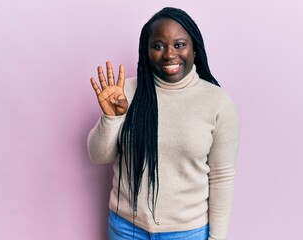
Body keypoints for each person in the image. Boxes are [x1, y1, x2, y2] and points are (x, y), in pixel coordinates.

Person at [87, 7, 239, 240]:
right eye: (158, 46)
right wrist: (111, 118)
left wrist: (217, 238)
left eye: (179, 45)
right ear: (146, 51)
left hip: (187, 232)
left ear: (194, 49)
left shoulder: (217, 102)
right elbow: (98, 156)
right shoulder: (125, 92)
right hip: (126, 228)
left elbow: (222, 177)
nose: (169, 54)